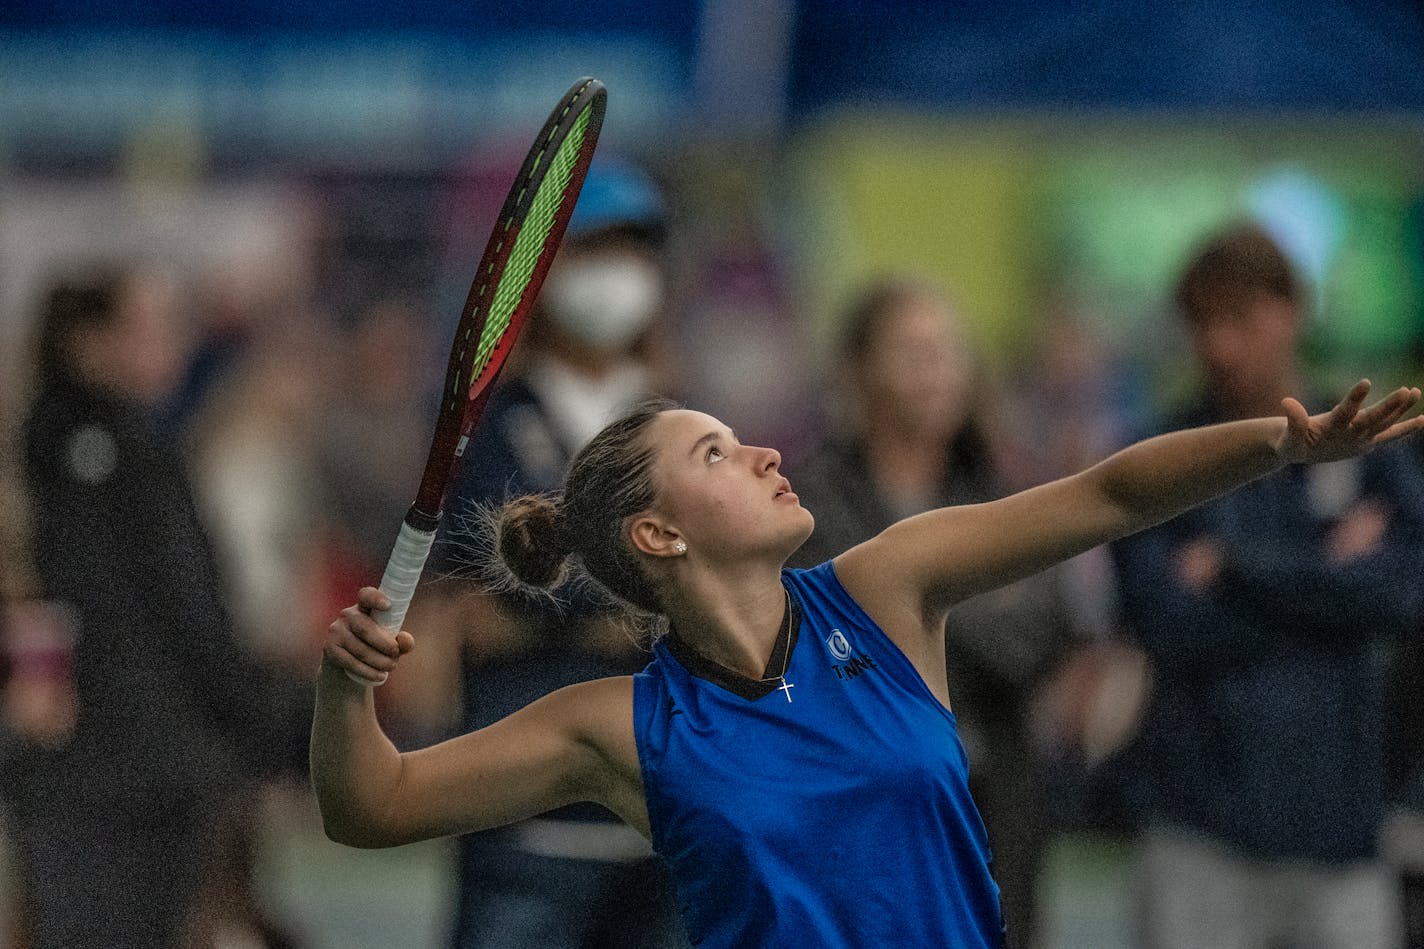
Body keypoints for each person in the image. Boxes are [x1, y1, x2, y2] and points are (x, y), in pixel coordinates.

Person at [313, 372, 1422, 945]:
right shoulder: (612, 727)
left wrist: (1280, 443)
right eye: (715, 451)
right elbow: (376, 804)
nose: (764, 450)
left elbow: (1108, 493)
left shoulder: (884, 592)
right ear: (658, 534)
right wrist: (344, 687)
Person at [1110, 223, 1424, 949]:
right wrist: (1326, 576)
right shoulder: (1161, 457)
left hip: (1342, 833)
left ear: (1290, 311)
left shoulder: (1365, 440)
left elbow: (1400, 595)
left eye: (1240, 319)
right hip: (1198, 826)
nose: (1220, 345)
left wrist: (1233, 568)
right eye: (1203, 324)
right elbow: (1166, 625)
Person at [434, 157, 686, 948]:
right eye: (593, 251)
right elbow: (483, 596)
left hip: (666, 818)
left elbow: (711, 584)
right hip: (522, 819)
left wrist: (547, 604)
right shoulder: (489, 427)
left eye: (635, 251)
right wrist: (639, 599)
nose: (620, 275)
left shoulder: (683, 429)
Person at [788, 277, 1080, 946]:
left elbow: (1043, 632)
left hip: (994, 810)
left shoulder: (999, 493)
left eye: (949, 352)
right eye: (914, 353)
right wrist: (968, 599)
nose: (938, 373)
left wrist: (906, 605)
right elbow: (836, 648)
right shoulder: (809, 501)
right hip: (861, 815)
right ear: (859, 371)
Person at [16, 264, 296, 948]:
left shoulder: (68, 449)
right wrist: (261, 722)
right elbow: (180, 613)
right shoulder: (100, 458)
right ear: (88, 341)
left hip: (117, 768)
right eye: (152, 325)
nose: (174, 342)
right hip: (122, 775)